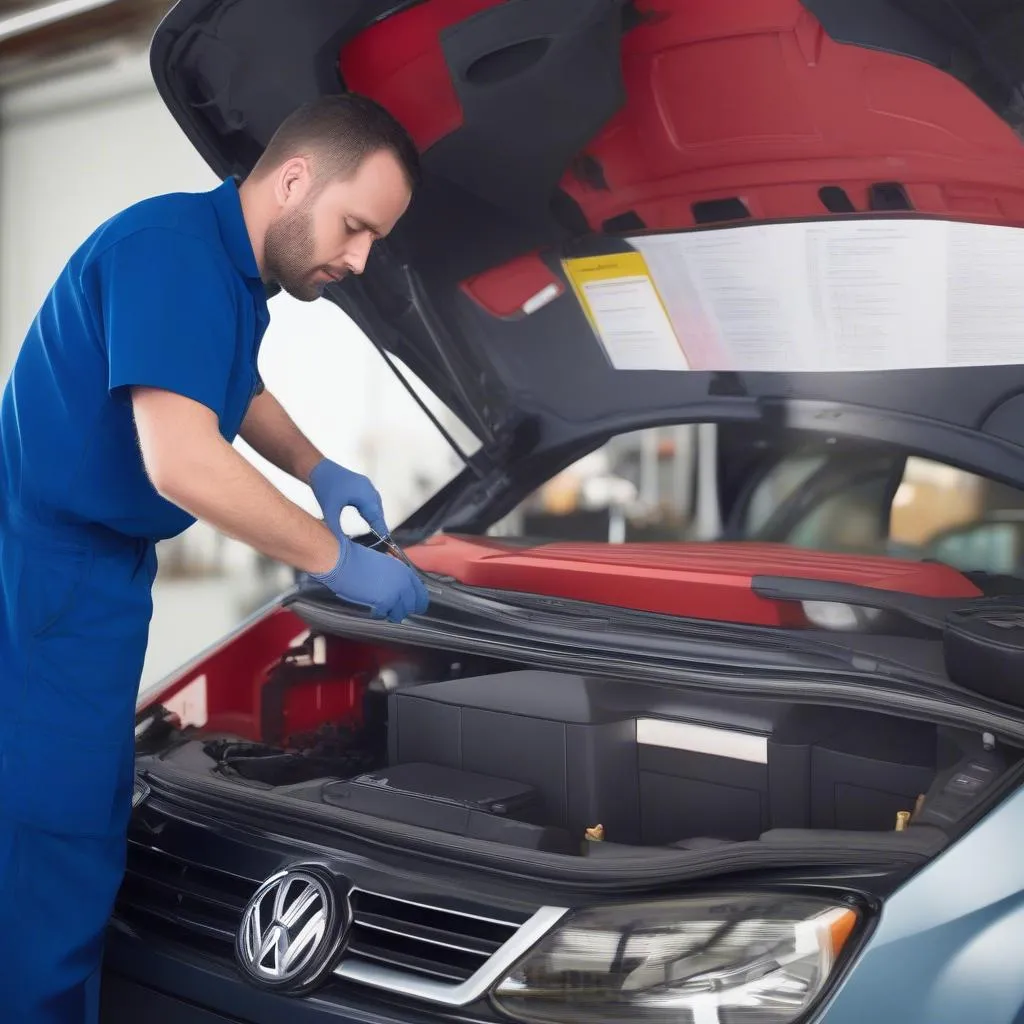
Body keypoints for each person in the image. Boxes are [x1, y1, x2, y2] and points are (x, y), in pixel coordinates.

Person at [0, 93, 429, 1023]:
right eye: (356, 228)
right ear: (295, 178)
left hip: (99, 579)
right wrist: (337, 561)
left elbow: (232, 386)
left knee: (81, 838)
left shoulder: (226, 273)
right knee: (51, 862)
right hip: (49, 584)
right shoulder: (169, 252)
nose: (359, 261)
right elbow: (183, 458)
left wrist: (316, 467)